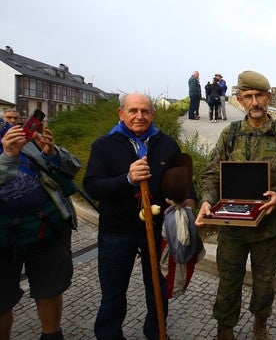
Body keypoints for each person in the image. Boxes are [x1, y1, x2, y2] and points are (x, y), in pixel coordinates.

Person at [195, 70, 276, 340]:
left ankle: (260, 324)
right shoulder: (230, 135)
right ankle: (225, 328)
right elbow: (211, 173)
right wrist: (207, 202)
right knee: (229, 281)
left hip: (268, 228)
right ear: (240, 100)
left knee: (265, 283)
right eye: (248, 96)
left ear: (268, 97)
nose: (255, 102)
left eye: (260, 96)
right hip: (232, 228)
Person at [83, 93, 197, 340]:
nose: (139, 116)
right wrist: (127, 179)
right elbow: (92, 186)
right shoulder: (104, 145)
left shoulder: (165, 143)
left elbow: (184, 177)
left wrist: (189, 199)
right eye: (133, 110)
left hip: (157, 230)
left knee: (157, 287)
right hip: (116, 229)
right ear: (121, 113)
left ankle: (156, 333)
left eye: (145, 111)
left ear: (153, 114)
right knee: (113, 293)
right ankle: (109, 336)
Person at [0, 116, 81, 340]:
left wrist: (51, 153)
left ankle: (52, 335)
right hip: (2, 241)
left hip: (47, 229)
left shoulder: (16, 132)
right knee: (1, 301)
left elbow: (72, 166)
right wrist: (7, 157)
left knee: (50, 289)